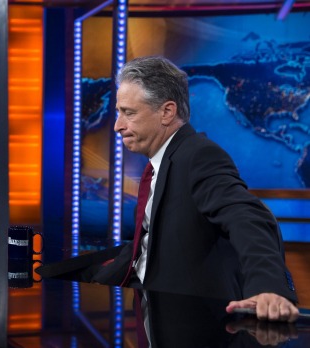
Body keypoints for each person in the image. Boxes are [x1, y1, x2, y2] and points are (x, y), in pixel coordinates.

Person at [92, 56, 299, 322]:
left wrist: (269, 288)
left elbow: (248, 217)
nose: (118, 126)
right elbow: (145, 246)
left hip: (188, 321)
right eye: (119, 113)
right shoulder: (162, 162)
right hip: (144, 307)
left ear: (167, 112)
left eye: (129, 113)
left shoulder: (199, 156)